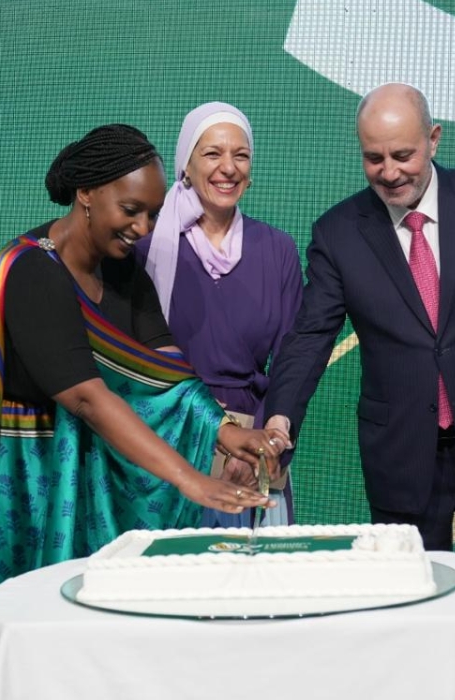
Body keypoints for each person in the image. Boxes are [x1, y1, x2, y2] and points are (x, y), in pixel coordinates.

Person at [0, 124, 280, 700]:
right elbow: (88, 397)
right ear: (87, 195)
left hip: (51, 481)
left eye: (153, 214)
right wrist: (191, 479)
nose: (142, 229)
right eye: (132, 210)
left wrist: (224, 429)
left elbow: (165, 368)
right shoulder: (31, 272)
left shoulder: (122, 269)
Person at [264, 84, 455, 699]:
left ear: (433, 140)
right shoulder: (338, 232)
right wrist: (278, 421)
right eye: (374, 158)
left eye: (402, 154)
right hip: (403, 458)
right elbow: (308, 339)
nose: (390, 171)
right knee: (414, 626)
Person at [139, 102, 302, 527]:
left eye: (240, 155)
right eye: (212, 154)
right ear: (186, 166)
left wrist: (258, 450)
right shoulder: (145, 250)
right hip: (167, 449)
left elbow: (290, 362)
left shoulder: (277, 250)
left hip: (256, 455)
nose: (228, 167)